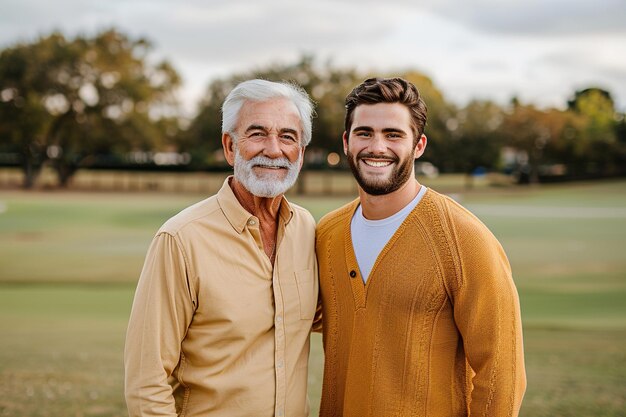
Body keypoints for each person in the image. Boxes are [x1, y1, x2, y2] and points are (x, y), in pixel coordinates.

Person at [316, 77, 526, 417]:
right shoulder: (326, 233)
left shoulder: (465, 239)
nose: (377, 146)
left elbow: (501, 371)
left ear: (419, 145)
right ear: (346, 141)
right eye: (364, 132)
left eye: (393, 134)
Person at [125, 79, 318, 417]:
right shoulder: (181, 240)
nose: (273, 150)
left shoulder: (308, 231)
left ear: (300, 153)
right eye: (257, 134)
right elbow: (147, 382)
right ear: (230, 147)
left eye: (288, 136)